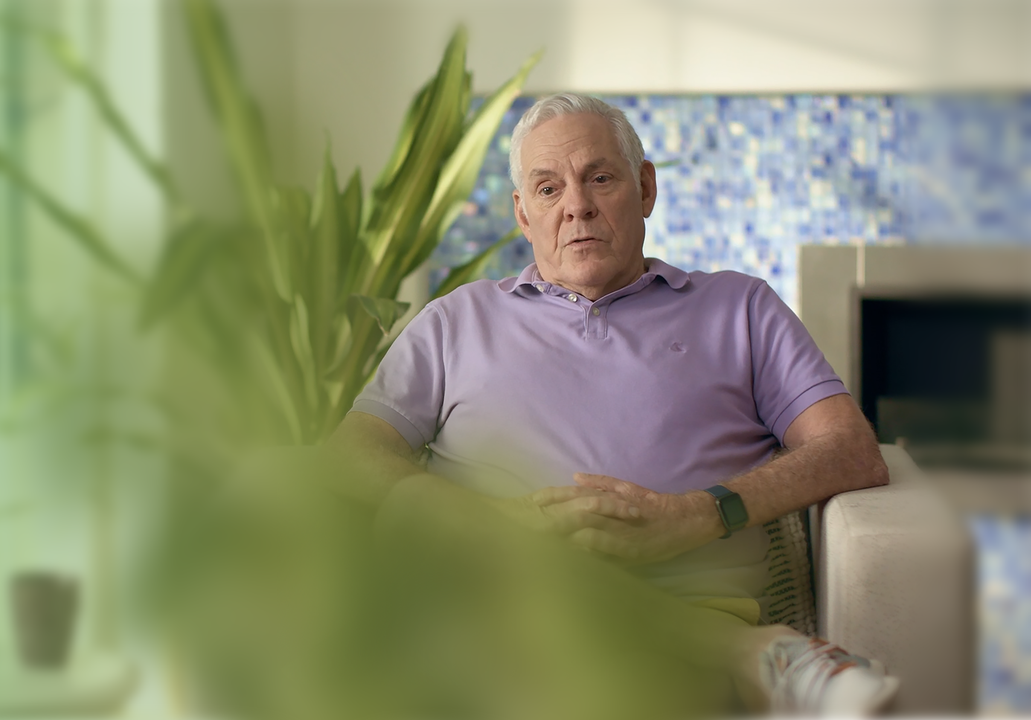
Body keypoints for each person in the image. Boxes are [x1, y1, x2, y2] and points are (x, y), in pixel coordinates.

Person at [327, 93, 898, 715]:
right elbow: (351, 456)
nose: (577, 206)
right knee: (416, 512)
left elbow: (852, 451)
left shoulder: (742, 308)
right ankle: (749, 652)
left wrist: (702, 514)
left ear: (645, 188)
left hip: (664, 647)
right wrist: (515, 525)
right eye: (548, 189)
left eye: (599, 177)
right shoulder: (452, 322)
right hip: (493, 626)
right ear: (523, 214)